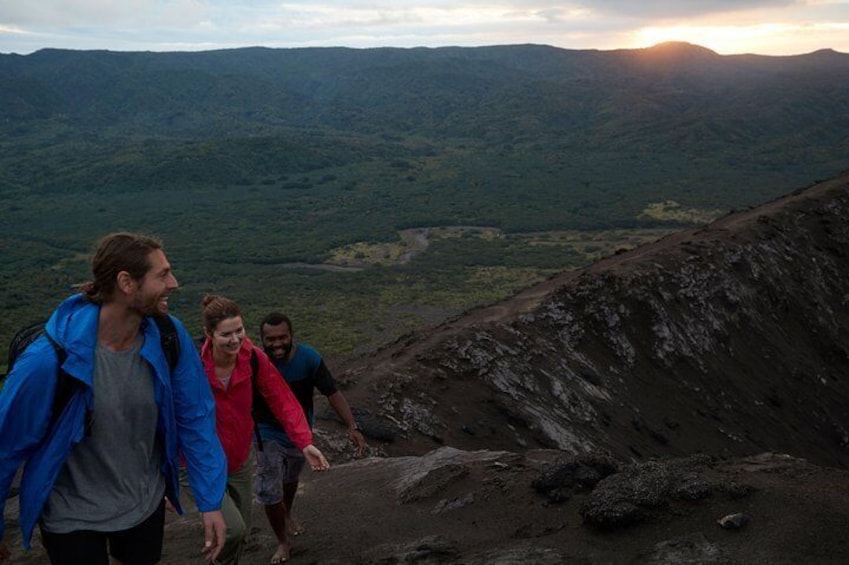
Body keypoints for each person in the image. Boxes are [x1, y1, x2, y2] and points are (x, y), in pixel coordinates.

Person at [0, 232, 228, 565]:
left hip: (144, 503)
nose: (174, 283)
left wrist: (210, 501)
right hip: (72, 516)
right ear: (126, 283)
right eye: (162, 274)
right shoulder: (49, 361)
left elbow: (195, 417)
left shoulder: (168, 336)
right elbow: (6, 445)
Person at [192, 295, 330, 565]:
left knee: (239, 532)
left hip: (239, 458)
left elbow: (282, 399)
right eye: (226, 334)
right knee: (234, 531)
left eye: (239, 331)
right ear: (209, 334)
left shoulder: (252, 358)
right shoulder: (193, 364)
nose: (235, 339)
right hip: (203, 459)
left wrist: (304, 441)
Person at [258, 312, 367, 563]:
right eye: (270, 339)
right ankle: (283, 541)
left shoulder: (308, 358)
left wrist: (352, 426)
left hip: (299, 432)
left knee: (290, 478)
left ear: (292, 335)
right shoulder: (257, 360)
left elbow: (332, 392)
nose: (276, 344)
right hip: (266, 430)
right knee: (270, 485)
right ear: (261, 339)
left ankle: (287, 513)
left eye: (282, 337)